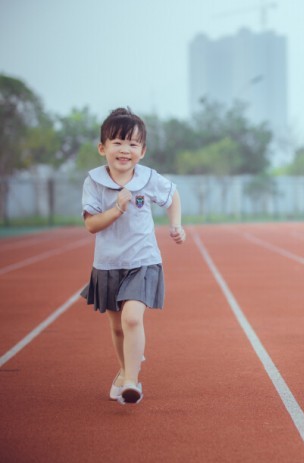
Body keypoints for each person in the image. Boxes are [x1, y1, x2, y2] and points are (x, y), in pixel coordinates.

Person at [80, 107, 186, 405]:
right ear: (103, 148)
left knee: (131, 320)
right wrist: (116, 209)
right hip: (108, 264)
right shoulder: (94, 182)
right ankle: (125, 369)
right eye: (117, 142)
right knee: (116, 326)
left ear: (142, 151)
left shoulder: (148, 178)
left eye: (133, 144)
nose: (125, 149)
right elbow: (90, 225)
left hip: (142, 261)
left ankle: (131, 381)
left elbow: (172, 195)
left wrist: (175, 224)